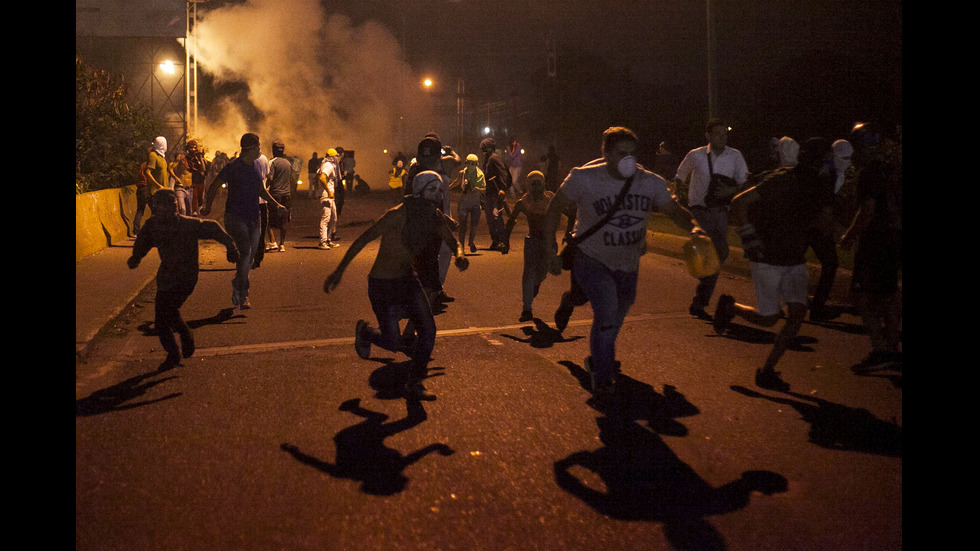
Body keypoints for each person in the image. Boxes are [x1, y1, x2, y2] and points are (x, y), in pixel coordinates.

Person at [543, 127, 700, 397]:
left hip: (628, 263)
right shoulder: (584, 178)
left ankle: (598, 357)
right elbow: (555, 206)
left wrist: (696, 228)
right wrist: (549, 249)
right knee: (606, 311)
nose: (627, 159)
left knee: (615, 317)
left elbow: (674, 211)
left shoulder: (650, 182)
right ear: (604, 154)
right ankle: (602, 380)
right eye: (620, 153)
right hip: (592, 258)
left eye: (631, 153)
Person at [323, 170, 469, 401]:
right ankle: (366, 331)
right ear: (419, 191)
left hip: (407, 281)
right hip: (382, 284)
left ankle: (415, 381)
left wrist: (460, 255)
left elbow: (453, 241)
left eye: (440, 190)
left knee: (428, 330)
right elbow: (363, 239)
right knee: (393, 342)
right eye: (433, 190)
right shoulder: (397, 215)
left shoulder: (435, 217)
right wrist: (338, 271)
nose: (438, 195)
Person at [712, 138, 836, 391]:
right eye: (827, 159)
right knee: (768, 319)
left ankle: (767, 371)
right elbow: (739, 202)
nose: (829, 165)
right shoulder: (782, 180)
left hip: (794, 258)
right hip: (767, 256)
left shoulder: (818, 185)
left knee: (797, 314)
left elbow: (819, 220)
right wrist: (748, 236)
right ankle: (730, 307)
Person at [128, 189, 240, 368]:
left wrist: (231, 246)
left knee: (167, 312)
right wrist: (136, 256)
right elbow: (143, 242)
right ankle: (178, 345)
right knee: (165, 316)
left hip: (186, 276)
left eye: (168, 208)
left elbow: (212, 227)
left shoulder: (187, 225)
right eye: (160, 208)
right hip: (166, 276)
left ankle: (181, 342)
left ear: (174, 209)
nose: (164, 212)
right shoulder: (152, 226)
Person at [673, 119, 750, 320]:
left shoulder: (735, 156)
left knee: (719, 252)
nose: (722, 138)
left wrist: (730, 190)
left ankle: (701, 286)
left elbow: (744, 183)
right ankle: (700, 300)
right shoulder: (696, 154)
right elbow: (680, 175)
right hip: (699, 211)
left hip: (720, 212)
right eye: (717, 134)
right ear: (708, 136)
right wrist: (678, 191)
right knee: (717, 251)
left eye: (724, 134)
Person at [839, 123, 902, 371]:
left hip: (876, 240)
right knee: (888, 293)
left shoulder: (869, 173)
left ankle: (880, 350)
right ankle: (892, 349)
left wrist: (849, 235)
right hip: (895, 237)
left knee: (862, 296)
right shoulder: (892, 170)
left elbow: (868, 210)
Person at [201, 133, 286, 310]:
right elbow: (214, 186)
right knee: (245, 252)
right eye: (258, 147)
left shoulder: (254, 167)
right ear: (251, 149)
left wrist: (276, 204)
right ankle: (243, 293)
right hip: (235, 217)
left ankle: (237, 283)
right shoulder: (233, 167)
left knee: (248, 256)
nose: (260, 150)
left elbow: (261, 190)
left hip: (254, 218)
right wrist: (207, 207)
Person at [807, 139, 854, 321]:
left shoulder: (829, 170)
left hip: (811, 225)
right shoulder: (829, 173)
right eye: (844, 157)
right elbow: (825, 206)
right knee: (830, 263)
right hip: (815, 226)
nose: (848, 161)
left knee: (793, 263)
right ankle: (817, 309)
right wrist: (834, 231)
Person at [504, 171, 555, 322]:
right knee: (528, 274)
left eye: (539, 183)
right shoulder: (523, 202)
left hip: (549, 242)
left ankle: (535, 285)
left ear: (544, 183)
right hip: (532, 241)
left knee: (542, 273)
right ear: (528, 185)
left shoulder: (551, 199)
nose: (537, 186)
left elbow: (569, 211)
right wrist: (505, 241)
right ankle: (527, 309)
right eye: (533, 183)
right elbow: (511, 221)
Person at [480, 137, 512, 251]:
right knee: (490, 218)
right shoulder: (488, 158)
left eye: (484, 148)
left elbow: (502, 173)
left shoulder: (494, 158)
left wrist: (503, 188)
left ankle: (502, 241)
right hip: (489, 193)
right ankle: (495, 241)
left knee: (496, 216)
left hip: (496, 193)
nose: (482, 151)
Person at [450, 154, 485, 253]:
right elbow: (457, 181)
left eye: (473, 163)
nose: (470, 165)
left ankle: (471, 242)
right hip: (464, 202)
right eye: (469, 163)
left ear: (476, 164)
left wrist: (477, 188)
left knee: (474, 225)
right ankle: (461, 246)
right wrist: (447, 187)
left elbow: (484, 189)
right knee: (462, 225)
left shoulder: (480, 175)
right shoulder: (463, 173)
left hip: (475, 202)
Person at [267, 140, 293, 252]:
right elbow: (291, 180)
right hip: (287, 195)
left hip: (275, 195)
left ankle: (272, 242)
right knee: (284, 221)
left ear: (273, 150)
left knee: (269, 220)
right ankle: (282, 244)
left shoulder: (272, 162)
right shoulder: (288, 163)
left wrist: (265, 186)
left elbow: (270, 178)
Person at [317, 148, 341, 249]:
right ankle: (323, 242)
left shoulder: (325, 165)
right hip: (327, 196)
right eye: (336, 157)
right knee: (326, 218)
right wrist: (328, 190)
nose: (338, 159)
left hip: (329, 196)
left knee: (333, 219)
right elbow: (322, 177)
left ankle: (328, 239)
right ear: (332, 157)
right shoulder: (329, 166)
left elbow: (317, 176)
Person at [253, 152, 272, 268]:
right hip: (262, 201)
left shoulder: (248, 161)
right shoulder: (264, 158)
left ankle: (255, 256)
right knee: (261, 231)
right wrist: (266, 188)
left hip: (253, 202)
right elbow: (270, 177)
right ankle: (258, 257)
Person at [185, 139, 208, 215]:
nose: (192, 149)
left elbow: (203, 168)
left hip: (200, 179)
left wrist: (200, 158)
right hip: (193, 179)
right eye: (191, 147)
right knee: (194, 196)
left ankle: (200, 207)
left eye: (194, 147)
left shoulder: (199, 157)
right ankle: (194, 210)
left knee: (200, 196)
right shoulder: (186, 158)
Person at [133, 147, 152, 235]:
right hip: (146, 189)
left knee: (140, 210)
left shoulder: (143, 164)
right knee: (155, 210)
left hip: (140, 189)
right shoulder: (151, 164)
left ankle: (136, 231)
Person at [144, 136, 169, 201]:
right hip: (155, 192)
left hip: (164, 191)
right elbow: (148, 172)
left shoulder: (162, 157)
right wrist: (158, 185)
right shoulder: (153, 155)